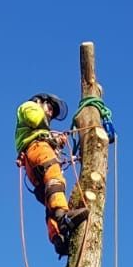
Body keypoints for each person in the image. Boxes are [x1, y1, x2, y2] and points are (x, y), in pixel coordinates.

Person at [15, 93, 89, 257]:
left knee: (49, 198)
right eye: (50, 108)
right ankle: (63, 217)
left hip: (33, 161)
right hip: (37, 150)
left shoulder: (40, 131)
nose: (50, 113)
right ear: (40, 101)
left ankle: (57, 237)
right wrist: (51, 136)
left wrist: (56, 142)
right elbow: (35, 119)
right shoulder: (28, 107)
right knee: (54, 176)